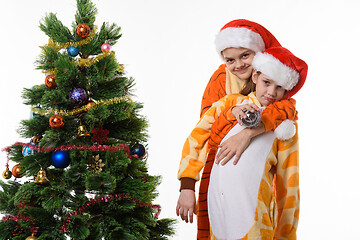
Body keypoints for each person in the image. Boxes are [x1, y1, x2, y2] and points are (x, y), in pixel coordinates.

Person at [177, 47, 308, 239]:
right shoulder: (228, 105)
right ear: (255, 76)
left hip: (256, 222)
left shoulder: (285, 126)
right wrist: (187, 186)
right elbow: (197, 138)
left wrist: (286, 235)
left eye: (279, 87)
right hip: (216, 214)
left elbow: (289, 187)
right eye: (266, 82)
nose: (271, 92)